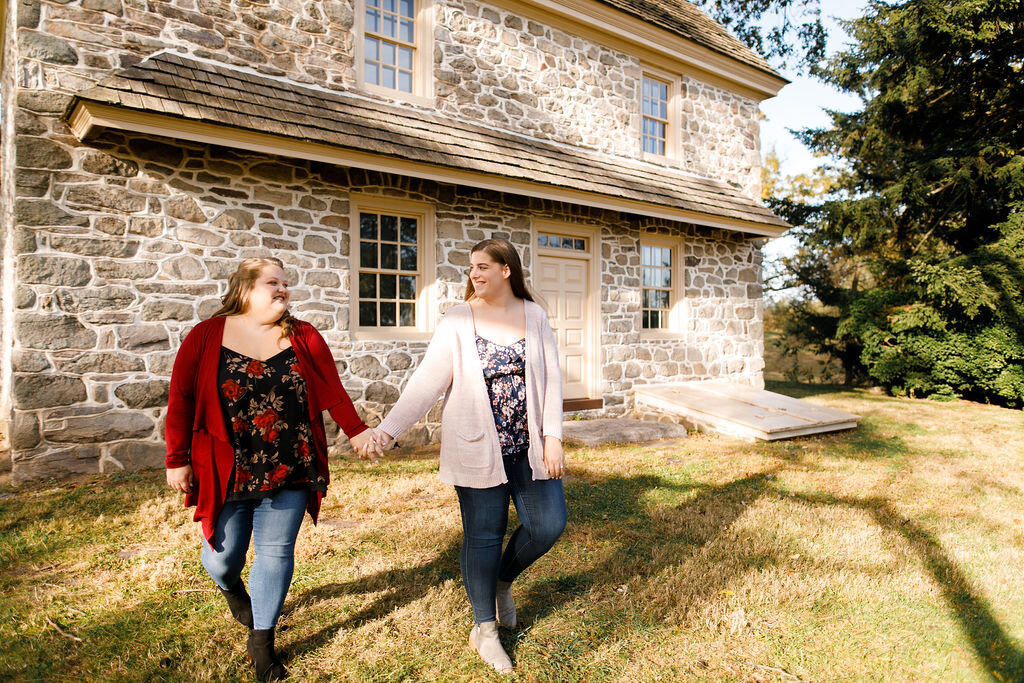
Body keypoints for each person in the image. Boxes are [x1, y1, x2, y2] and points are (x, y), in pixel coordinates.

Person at [164, 257, 379, 681]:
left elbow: (332, 388)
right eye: (272, 283)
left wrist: (355, 431)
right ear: (244, 289)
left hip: (292, 462)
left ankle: (263, 641)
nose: (283, 289)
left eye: (286, 283)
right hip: (229, 466)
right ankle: (231, 588)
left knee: (276, 552)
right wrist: (177, 457)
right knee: (222, 557)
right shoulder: (207, 335)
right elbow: (182, 398)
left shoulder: (303, 335)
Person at [376, 238, 567, 674]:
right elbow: (428, 381)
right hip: (476, 445)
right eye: (471, 268)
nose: (474, 274)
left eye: (483, 266)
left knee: (548, 525)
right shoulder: (459, 320)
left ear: (506, 270)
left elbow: (553, 378)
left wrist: (553, 435)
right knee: (483, 535)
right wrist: (387, 431)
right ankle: (485, 629)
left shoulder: (533, 315)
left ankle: (502, 583)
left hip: (529, 446)